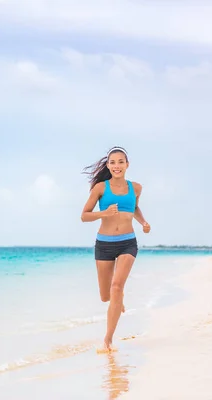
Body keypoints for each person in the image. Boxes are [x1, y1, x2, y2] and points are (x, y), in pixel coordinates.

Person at [80, 146, 151, 352]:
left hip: (128, 242)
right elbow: (84, 215)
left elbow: (134, 207)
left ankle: (108, 340)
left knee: (116, 287)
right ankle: (117, 299)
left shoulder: (136, 188)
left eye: (121, 162)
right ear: (108, 165)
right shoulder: (101, 188)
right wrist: (104, 214)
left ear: (127, 165)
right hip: (104, 244)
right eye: (113, 162)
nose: (117, 166)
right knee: (105, 296)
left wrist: (144, 222)